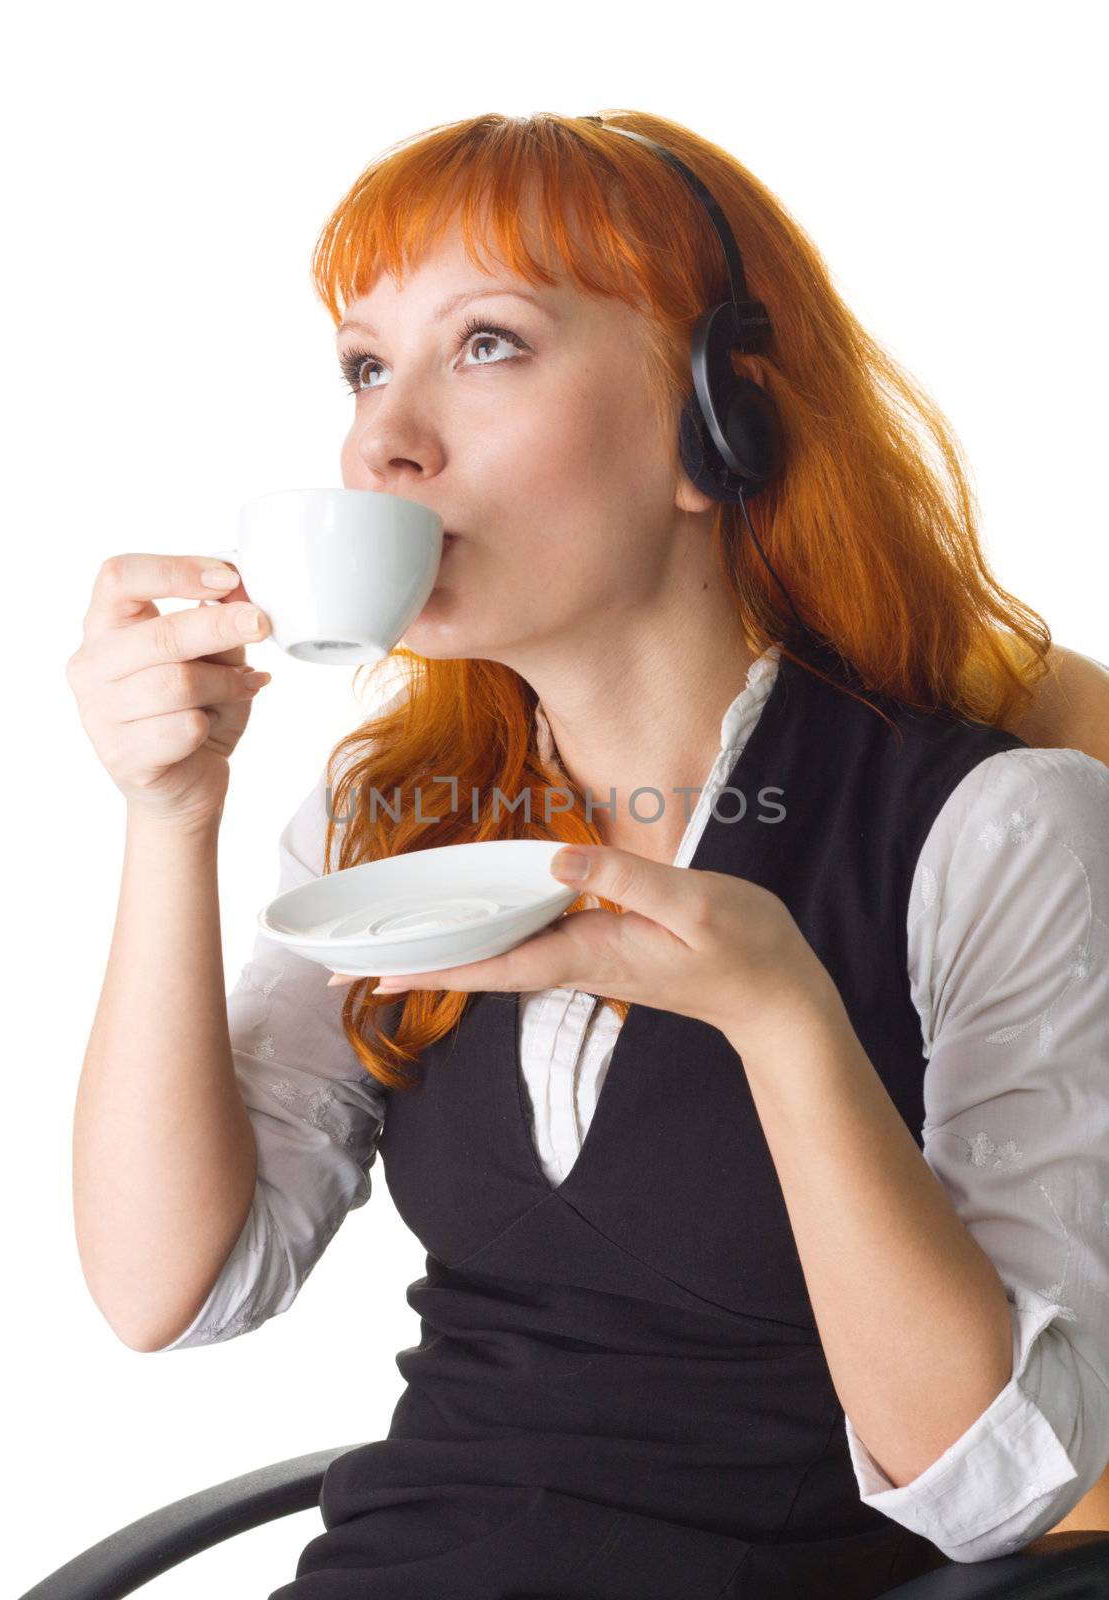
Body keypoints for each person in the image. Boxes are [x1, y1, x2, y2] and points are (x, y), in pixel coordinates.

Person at [67, 110, 1109, 1599]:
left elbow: (990, 1488)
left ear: (714, 426)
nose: (382, 441)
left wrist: (778, 1017)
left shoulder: (989, 826)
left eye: (487, 344)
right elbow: (168, 1286)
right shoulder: (390, 821)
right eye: (366, 368)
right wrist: (168, 818)